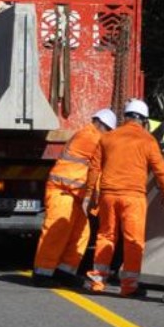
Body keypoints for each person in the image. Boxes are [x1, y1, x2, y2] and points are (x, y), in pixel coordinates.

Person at [85, 98, 164, 297]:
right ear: (143, 120)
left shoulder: (108, 138)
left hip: (108, 194)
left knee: (106, 235)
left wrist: (90, 194)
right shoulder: (147, 140)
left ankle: (97, 281)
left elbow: (94, 168)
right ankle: (129, 286)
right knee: (133, 240)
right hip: (133, 197)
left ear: (125, 117)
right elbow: (161, 170)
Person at [32, 108, 116, 286]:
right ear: (102, 126)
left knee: (81, 233)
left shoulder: (91, 135)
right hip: (63, 190)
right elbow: (108, 153)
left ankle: (64, 272)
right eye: (109, 131)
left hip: (76, 194)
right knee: (57, 231)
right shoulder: (90, 136)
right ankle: (42, 273)